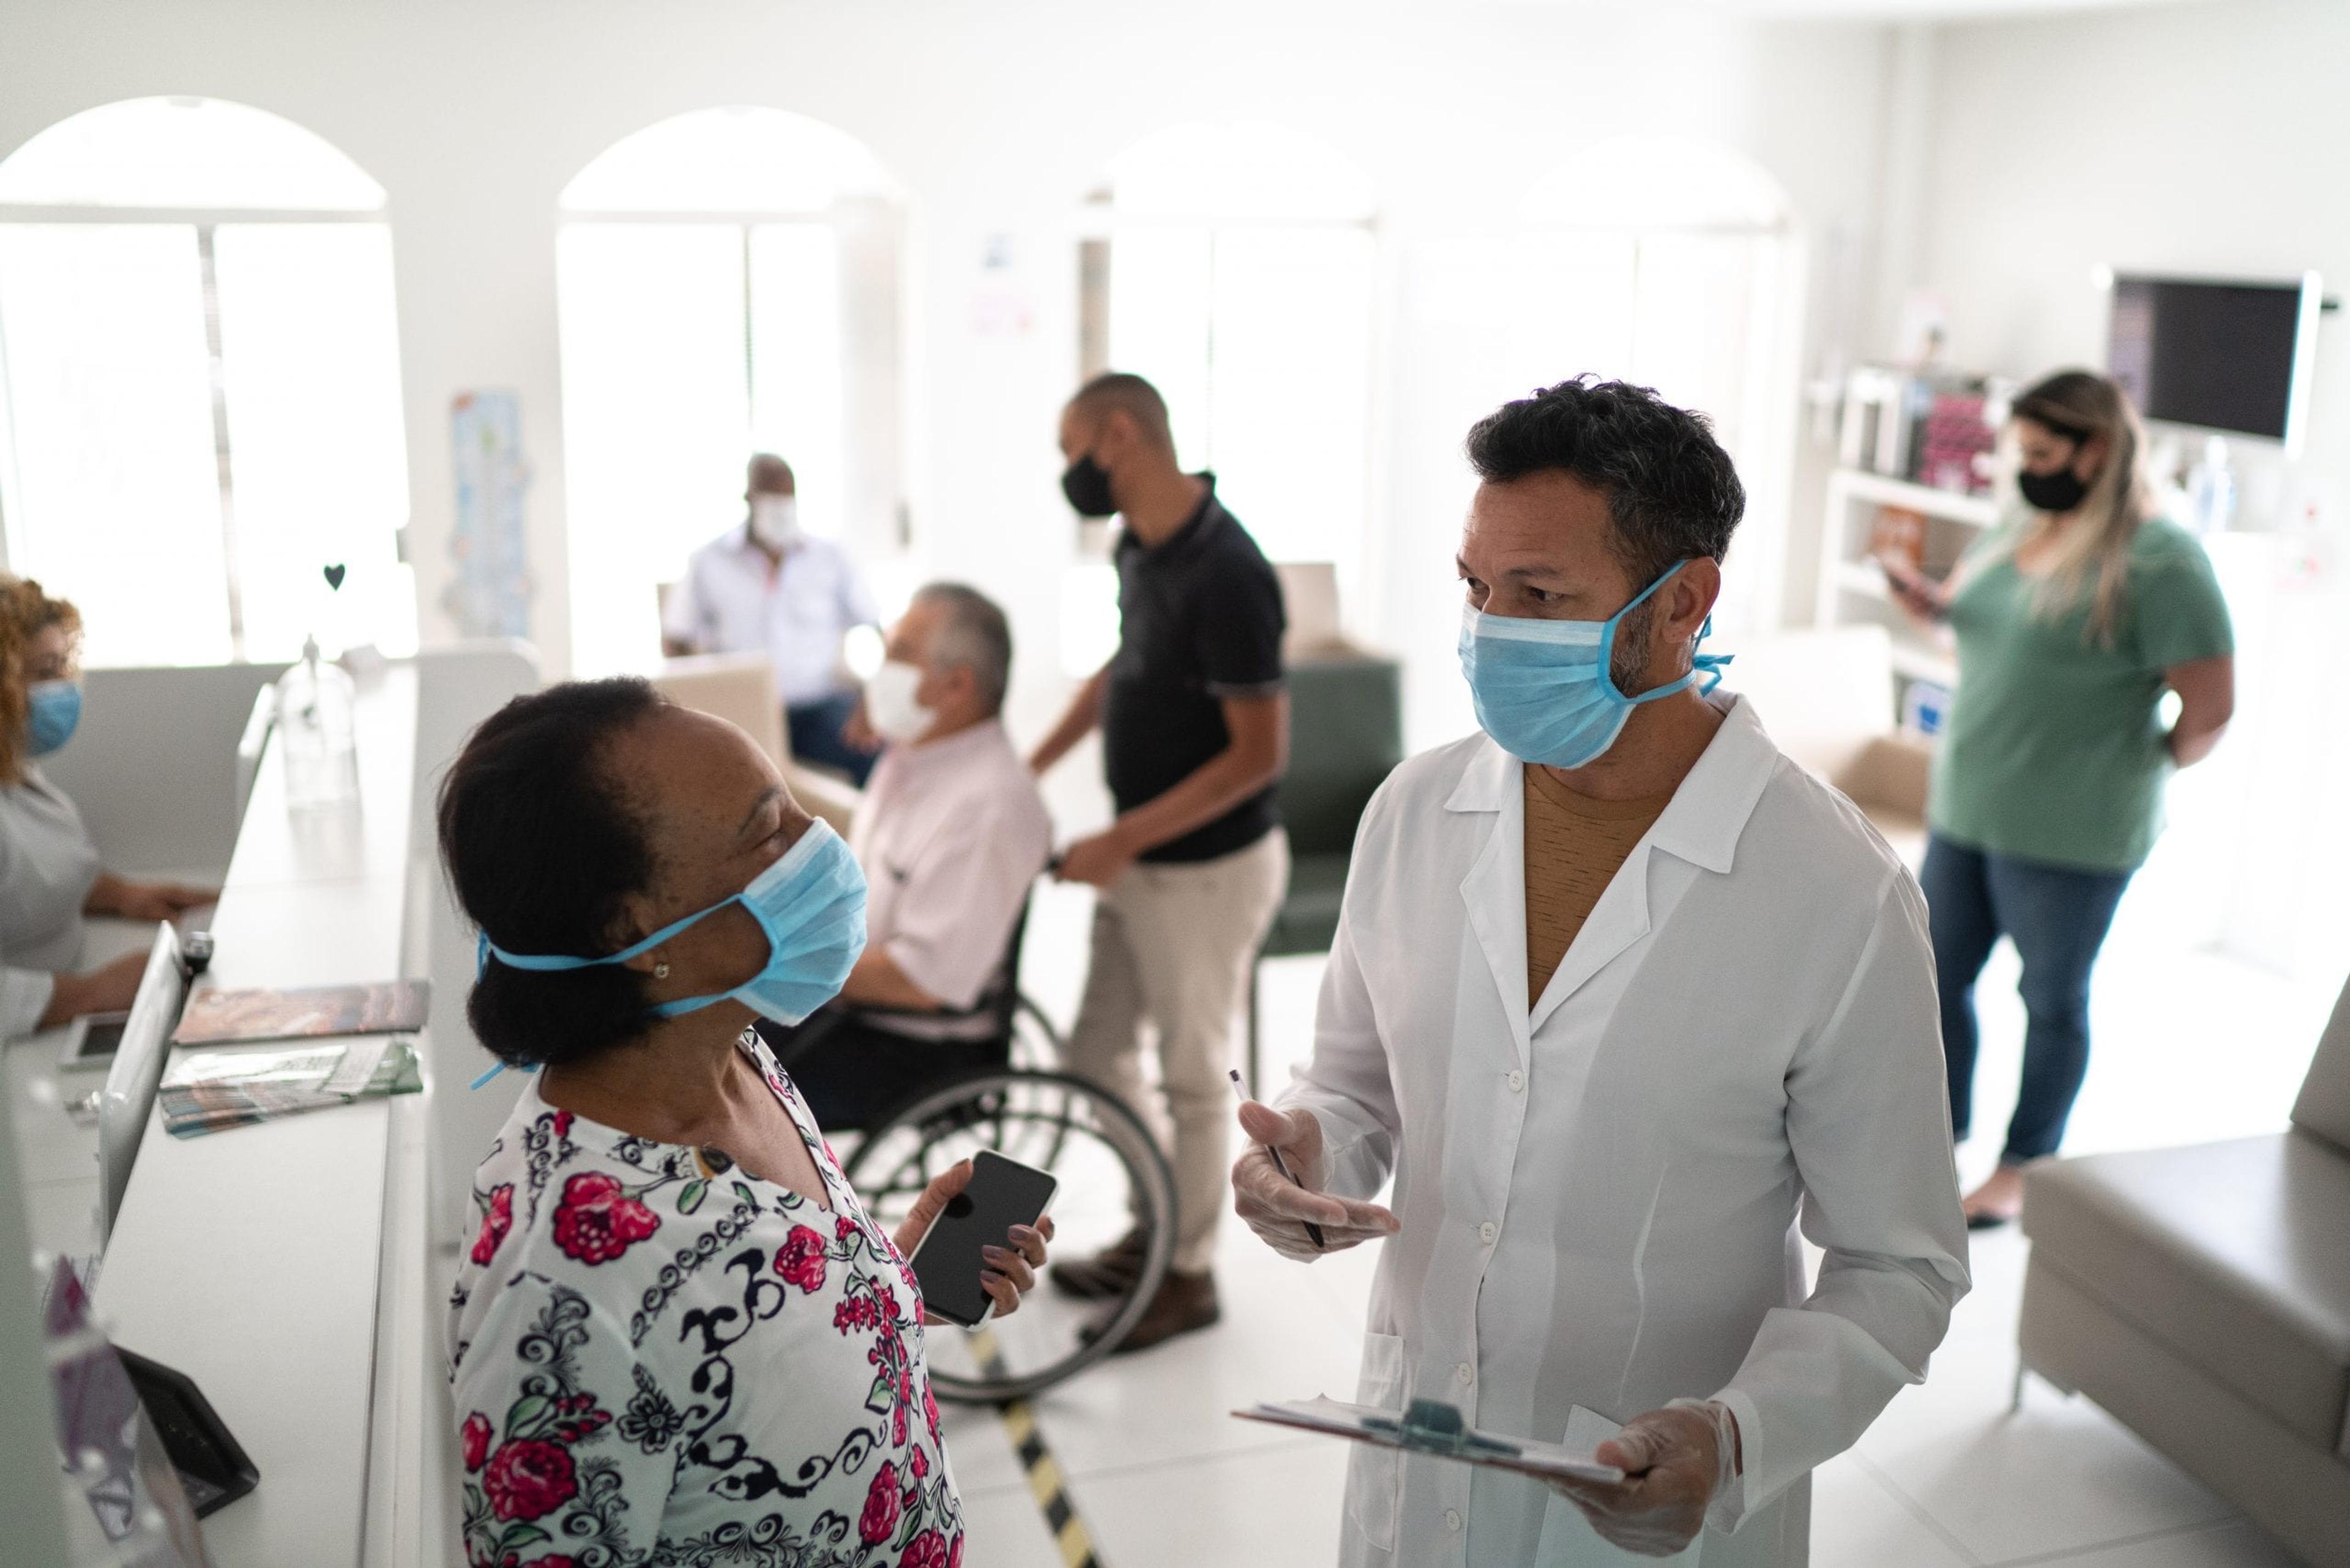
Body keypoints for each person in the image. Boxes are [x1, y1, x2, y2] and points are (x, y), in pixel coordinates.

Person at [1231, 379, 1969, 1566]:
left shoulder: (1832, 890)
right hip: (1421, 1462)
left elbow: (1902, 1261)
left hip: (1652, 1509)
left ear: (1682, 603)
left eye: (1540, 596)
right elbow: (1357, 1082)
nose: (1489, 628)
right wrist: (1308, 1153)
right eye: (1475, 587)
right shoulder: (1417, 809)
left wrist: (1736, 1440)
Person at [440, 679, 1051, 1560]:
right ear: (635, 927)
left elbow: (732, 1344)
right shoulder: (561, 1285)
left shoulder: (733, 1051)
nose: (823, 849)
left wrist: (888, 1286)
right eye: (770, 833)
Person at [1881, 369, 2234, 1227]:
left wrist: (2129, 770)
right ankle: (1938, 1135)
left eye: (2042, 452)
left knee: (2049, 1001)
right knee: (1933, 978)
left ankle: (2024, 1163)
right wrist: (1930, 606)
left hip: (2075, 831)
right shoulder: (2020, 523)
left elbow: (2211, 709)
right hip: (1970, 803)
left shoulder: (2161, 560)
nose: (2025, 466)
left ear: (2097, 451)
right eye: (2020, 450)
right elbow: (1993, 634)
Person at [1030, 371, 1290, 1351]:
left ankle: (1188, 1273)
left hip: (1207, 873)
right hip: (1142, 855)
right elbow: (1123, 666)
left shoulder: (1231, 571)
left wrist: (1119, 841)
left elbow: (1260, 755)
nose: (1070, 472)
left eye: (1072, 449)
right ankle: (1160, 1219)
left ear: (1120, 434)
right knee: (1093, 1055)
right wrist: (1032, 766)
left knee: (1190, 1074)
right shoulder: (1138, 542)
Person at [756, 583, 1053, 1128]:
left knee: (712, 1075)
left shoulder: (989, 807)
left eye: (899, 656)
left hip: (909, 1048)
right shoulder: (919, 753)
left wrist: (767, 965)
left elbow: (922, 981)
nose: (879, 675)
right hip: (851, 1008)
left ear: (956, 685)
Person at [0, 576, 215, 1039]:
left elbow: (27, 878)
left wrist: (122, 897)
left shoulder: (14, 766)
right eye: (44, 672)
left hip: (67, 975)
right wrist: (91, 994)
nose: (63, 686)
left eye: (63, 665)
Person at [662, 452, 882, 786]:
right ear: (750, 499)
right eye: (772, 499)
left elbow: (873, 628)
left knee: (877, 752)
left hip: (816, 705)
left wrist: (871, 696)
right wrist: (698, 705)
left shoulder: (829, 558)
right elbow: (676, 637)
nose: (781, 508)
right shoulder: (709, 562)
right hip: (741, 714)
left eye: (787, 499)